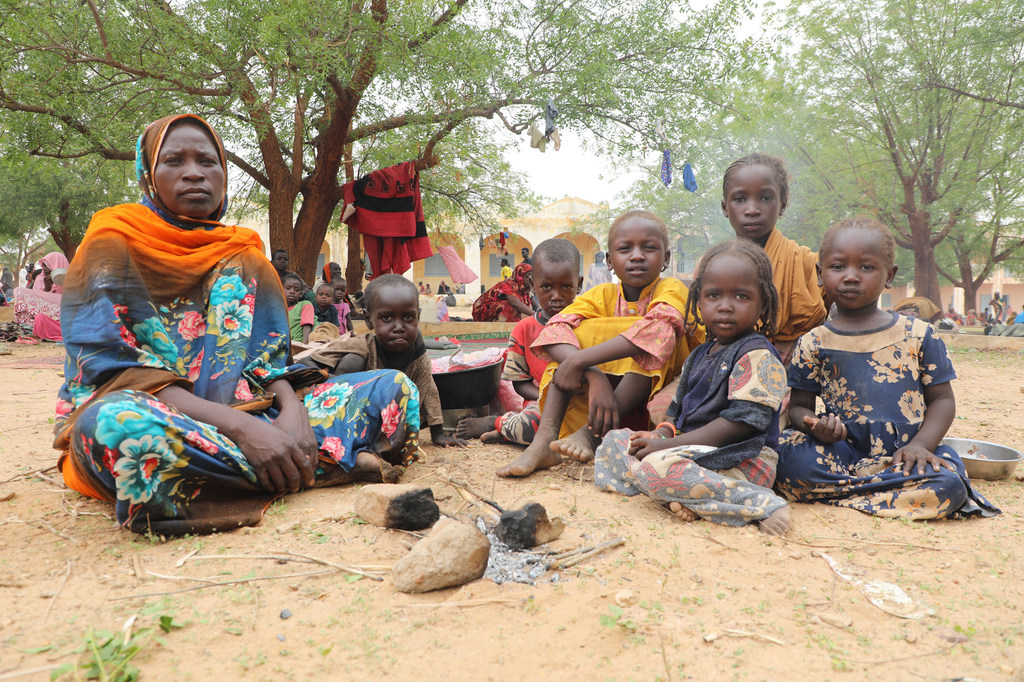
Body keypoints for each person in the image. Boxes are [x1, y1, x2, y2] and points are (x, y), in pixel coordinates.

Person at [54, 114, 423, 535]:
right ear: (149, 175)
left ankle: (272, 465)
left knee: (395, 390)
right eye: (174, 160)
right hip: (169, 416)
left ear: (223, 174)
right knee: (115, 426)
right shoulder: (111, 242)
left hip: (255, 415)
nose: (194, 172)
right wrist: (241, 428)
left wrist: (293, 412)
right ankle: (317, 467)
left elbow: (268, 361)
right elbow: (117, 375)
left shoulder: (243, 252)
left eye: (208, 161)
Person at [775, 217, 999, 519]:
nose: (851, 277)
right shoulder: (813, 341)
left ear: (889, 275)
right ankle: (891, 496)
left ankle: (845, 494)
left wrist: (921, 445)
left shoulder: (918, 334)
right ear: (819, 273)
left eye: (866, 268)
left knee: (948, 480)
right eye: (838, 267)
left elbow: (943, 400)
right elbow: (799, 407)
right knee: (788, 459)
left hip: (904, 457)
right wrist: (815, 425)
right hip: (841, 453)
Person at [593, 240, 791, 534]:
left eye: (741, 296)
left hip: (743, 460)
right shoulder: (699, 355)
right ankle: (690, 498)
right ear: (698, 301)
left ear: (763, 303)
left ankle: (760, 504)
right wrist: (658, 434)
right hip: (689, 454)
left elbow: (739, 426)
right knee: (614, 444)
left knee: (659, 468)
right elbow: (675, 415)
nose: (725, 306)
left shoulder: (758, 355)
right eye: (713, 296)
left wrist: (665, 447)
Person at [497, 210, 703, 478]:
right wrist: (594, 376)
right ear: (608, 260)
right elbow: (553, 329)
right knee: (570, 332)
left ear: (666, 258)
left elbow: (656, 332)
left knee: (647, 338)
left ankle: (591, 434)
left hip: (657, 389)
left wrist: (581, 360)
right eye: (625, 248)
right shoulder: (601, 294)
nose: (637, 255)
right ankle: (543, 442)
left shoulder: (671, 288)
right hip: (599, 396)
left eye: (649, 248)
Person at [302, 275, 468, 448]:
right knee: (352, 361)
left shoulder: (416, 347)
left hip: (394, 420)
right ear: (368, 320)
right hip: (354, 416)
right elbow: (309, 361)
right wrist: (329, 382)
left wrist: (438, 434)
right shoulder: (364, 346)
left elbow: (428, 385)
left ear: (417, 317)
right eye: (387, 318)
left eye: (408, 317)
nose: (399, 327)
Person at [456, 239, 582, 444]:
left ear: (579, 285)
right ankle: (497, 423)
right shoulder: (524, 329)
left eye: (566, 286)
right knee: (533, 426)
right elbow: (520, 384)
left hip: (578, 402)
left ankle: (507, 433)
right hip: (540, 403)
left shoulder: (586, 324)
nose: (556, 296)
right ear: (532, 285)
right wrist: (547, 395)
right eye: (547, 287)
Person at [722, 153, 827, 363]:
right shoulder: (713, 268)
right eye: (740, 199)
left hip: (798, 372)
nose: (752, 210)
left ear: (783, 205)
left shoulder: (807, 263)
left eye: (766, 198)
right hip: (727, 365)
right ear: (725, 207)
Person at [12, 251, 69, 341]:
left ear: (57, 265)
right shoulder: (40, 279)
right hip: (47, 314)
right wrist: (47, 289)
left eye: (47, 266)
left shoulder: (71, 279)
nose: (44, 269)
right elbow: (37, 303)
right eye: (43, 266)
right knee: (19, 291)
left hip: (64, 313)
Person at [284, 273, 314, 343]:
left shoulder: (305, 304)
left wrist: (304, 344)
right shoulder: (278, 309)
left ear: (301, 293)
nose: (292, 292)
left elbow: (307, 324)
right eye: (288, 288)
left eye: (296, 290)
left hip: (300, 343)